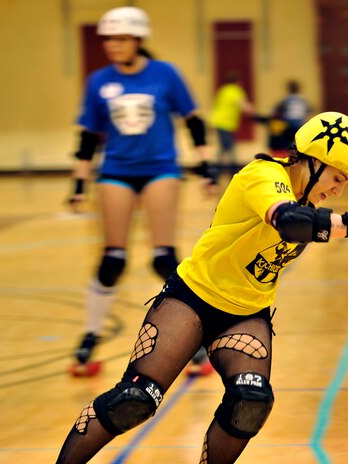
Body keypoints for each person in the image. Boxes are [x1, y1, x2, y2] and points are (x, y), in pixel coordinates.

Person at [0, 111, 348, 464]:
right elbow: (289, 223)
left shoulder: (306, 197)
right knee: (135, 400)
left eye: (347, 185)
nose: (339, 190)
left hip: (246, 313)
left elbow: (309, 220)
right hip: (192, 300)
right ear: (311, 161)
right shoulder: (262, 176)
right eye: (338, 178)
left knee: (251, 399)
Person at [66, 6, 217, 377]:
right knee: (112, 260)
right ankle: (89, 336)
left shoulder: (165, 74)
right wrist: (78, 184)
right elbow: (87, 138)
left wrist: (205, 168)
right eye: (109, 40)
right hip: (116, 170)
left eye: (120, 39)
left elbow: (193, 121)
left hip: (160, 169)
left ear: (137, 40)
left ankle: (193, 341)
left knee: (164, 259)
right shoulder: (98, 81)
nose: (113, 46)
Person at [209, 71, 254, 179]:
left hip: (218, 122)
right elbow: (243, 105)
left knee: (223, 148)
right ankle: (231, 174)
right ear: (237, 82)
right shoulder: (236, 91)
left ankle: (216, 173)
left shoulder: (223, 90)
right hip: (226, 123)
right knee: (230, 148)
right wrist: (252, 110)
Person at [267, 80, 311, 156]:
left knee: (287, 141)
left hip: (288, 123)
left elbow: (277, 108)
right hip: (300, 123)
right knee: (298, 141)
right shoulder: (302, 99)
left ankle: (288, 154)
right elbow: (309, 109)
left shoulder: (286, 99)